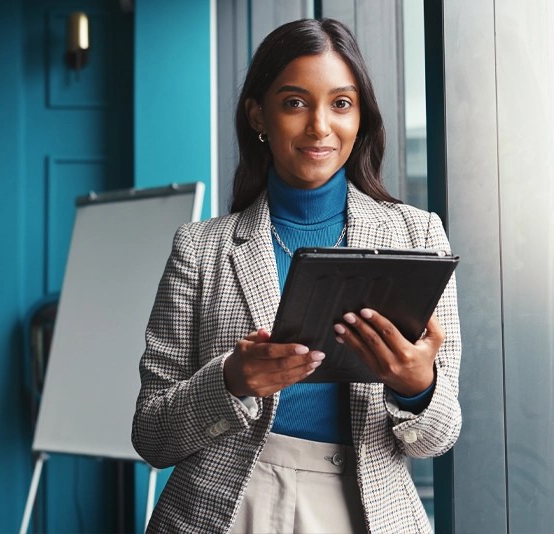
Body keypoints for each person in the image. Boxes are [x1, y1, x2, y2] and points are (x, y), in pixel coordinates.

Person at [132, 18, 462, 533]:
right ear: (258, 114)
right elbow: (152, 435)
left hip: (362, 510)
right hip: (223, 509)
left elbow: (438, 437)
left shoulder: (417, 237)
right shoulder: (200, 248)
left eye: (341, 103)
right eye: (294, 103)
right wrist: (231, 381)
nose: (319, 128)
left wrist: (417, 386)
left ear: (360, 118)